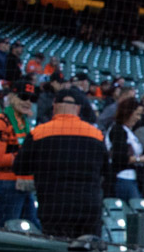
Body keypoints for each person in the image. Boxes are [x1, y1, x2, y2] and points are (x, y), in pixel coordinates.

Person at [12, 90, 109, 239]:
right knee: (89, 247)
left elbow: (20, 167)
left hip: (54, 207)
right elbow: (107, 171)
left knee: (57, 249)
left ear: (55, 106)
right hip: (89, 206)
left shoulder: (39, 133)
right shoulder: (95, 134)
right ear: (78, 108)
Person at [0, 83, 39, 226]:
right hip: (6, 184)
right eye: (24, 97)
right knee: (9, 228)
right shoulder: (2, 121)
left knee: (32, 226)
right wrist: (24, 157)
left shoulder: (23, 121)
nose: (28, 102)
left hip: (22, 183)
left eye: (31, 99)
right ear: (12, 97)